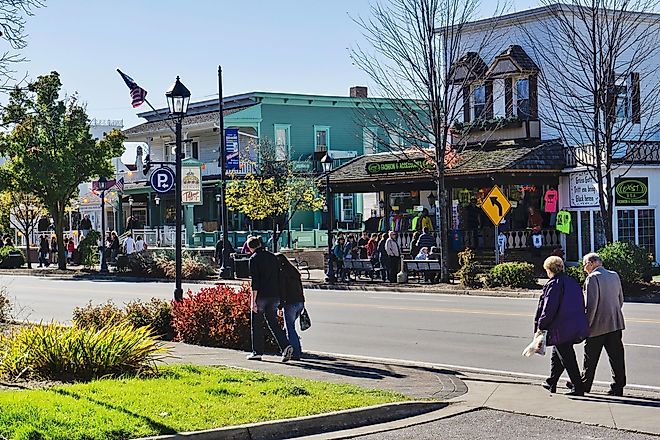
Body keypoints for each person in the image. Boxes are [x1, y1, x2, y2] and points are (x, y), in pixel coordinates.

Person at [535, 256, 589, 396]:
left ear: (549, 270)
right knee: (557, 353)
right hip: (574, 324)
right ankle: (551, 382)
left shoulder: (554, 284)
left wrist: (541, 325)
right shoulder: (572, 282)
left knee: (567, 357)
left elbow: (549, 308)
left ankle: (578, 387)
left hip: (561, 326)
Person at [579, 252, 627, 396]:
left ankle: (585, 384)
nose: (584, 268)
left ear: (592, 263)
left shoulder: (592, 278)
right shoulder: (614, 275)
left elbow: (591, 306)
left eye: (584, 265)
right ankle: (618, 387)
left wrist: (586, 325)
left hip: (597, 326)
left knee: (590, 358)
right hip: (615, 323)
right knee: (617, 358)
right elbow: (620, 300)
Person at [246, 236, 293, 362]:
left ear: (250, 247)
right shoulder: (273, 257)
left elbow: (255, 282)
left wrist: (253, 301)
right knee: (273, 322)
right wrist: (281, 300)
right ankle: (285, 345)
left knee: (256, 323)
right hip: (275, 295)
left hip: (261, 295)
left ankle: (257, 352)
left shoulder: (253, 259)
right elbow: (280, 278)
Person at [276, 253, 305, 361]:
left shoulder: (282, 273)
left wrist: (280, 306)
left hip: (290, 303)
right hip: (300, 302)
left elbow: (282, 291)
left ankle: (296, 353)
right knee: (290, 327)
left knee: (290, 329)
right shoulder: (294, 272)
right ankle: (296, 348)